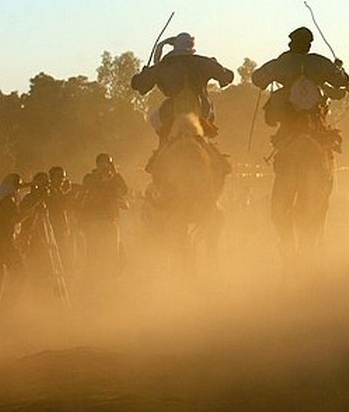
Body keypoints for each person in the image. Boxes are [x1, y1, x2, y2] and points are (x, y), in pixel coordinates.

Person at [251, 26, 349, 150]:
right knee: (326, 136)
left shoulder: (282, 63)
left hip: (289, 113)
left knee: (281, 134)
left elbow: (257, 78)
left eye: (291, 42)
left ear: (292, 44)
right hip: (314, 112)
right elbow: (342, 81)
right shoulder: (320, 62)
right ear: (308, 46)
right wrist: (339, 69)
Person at [131, 32, 235, 143]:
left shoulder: (163, 66)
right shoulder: (204, 62)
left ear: (175, 47)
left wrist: (145, 73)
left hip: (170, 111)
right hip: (203, 109)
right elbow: (227, 77)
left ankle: (162, 148)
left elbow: (138, 84)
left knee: (155, 119)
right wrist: (217, 66)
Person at [0, 173, 39, 312]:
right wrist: (33, 208)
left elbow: (17, 185)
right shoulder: (8, 200)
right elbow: (15, 219)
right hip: (4, 242)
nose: (19, 191)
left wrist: (31, 185)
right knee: (20, 272)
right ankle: (7, 306)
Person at [78, 153, 129, 283]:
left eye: (107, 163)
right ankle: (94, 281)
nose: (104, 165)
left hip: (110, 221)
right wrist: (100, 177)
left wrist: (115, 174)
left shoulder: (114, 179)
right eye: (101, 163)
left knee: (115, 255)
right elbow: (86, 189)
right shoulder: (90, 178)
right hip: (94, 222)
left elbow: (124, 190)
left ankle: (110, 281)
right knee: (94, 254)